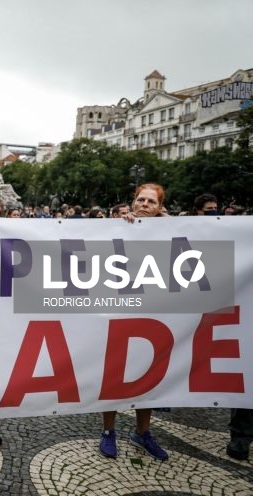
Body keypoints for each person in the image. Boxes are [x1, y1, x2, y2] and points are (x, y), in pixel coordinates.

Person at [99, 183, 169, 461]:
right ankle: (108, 431)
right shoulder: (120, 227)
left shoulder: (170, 231)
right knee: (114, 373)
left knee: (148, 374)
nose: (144, 205)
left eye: (151, 202)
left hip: (153, 314)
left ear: (160, 207)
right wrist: (121, 227)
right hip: (119, 311)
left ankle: (143, 432)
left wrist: (168, 224)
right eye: (140, 200)